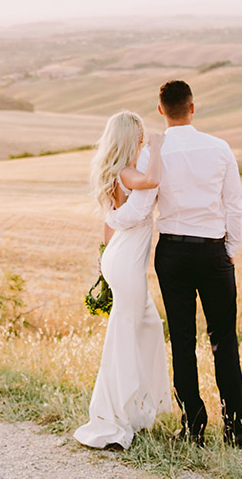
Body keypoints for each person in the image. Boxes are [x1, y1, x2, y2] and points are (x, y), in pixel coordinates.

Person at [106, 80, 242, 447]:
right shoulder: (220, 148)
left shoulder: (150, 155)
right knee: (224, 338)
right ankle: (235, 426)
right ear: (193, 108)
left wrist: (109, 218)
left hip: (172, 253)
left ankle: (193, 425)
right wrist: (231, 248)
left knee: (182, 340)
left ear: (161, 110)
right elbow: (234, 205)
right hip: (213, 252)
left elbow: (141, 209)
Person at [74, 111, 172, 449]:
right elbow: (153, 181)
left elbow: (108, 221)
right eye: (142, 137)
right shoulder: (129, 173)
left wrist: (102, 256)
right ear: (133, 138)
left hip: (118, 255)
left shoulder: (114, 172)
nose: (145, 140)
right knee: (125, 333)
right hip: (127, 261)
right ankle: (113, 417)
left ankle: (133, 408)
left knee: (145, 325)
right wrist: (158, 149)